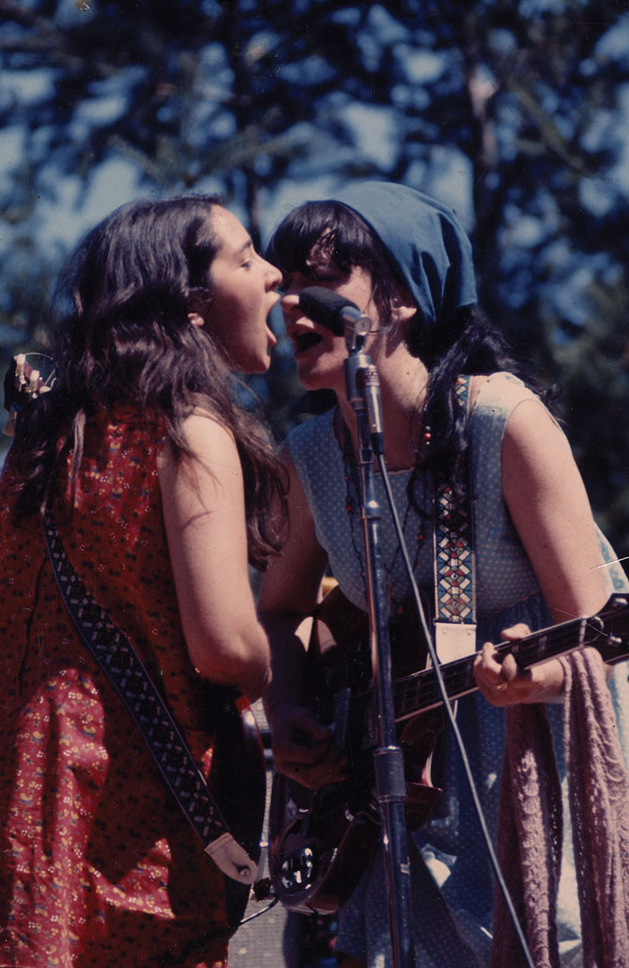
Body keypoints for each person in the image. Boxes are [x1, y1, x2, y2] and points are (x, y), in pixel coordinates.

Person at [258, 181, 629, 967]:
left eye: (322, 280)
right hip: (391, 794)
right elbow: (280, 606)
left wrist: (538, 678)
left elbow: (606, 637)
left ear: (400, 297)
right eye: (285, 284)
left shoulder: (500, 422)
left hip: (528, 772)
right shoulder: (311, 457)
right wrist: (290, 699)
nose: (292, 304)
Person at [0, 194, 285, 968]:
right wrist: (278, 669)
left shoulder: (45, 443)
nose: (275, 276)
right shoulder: (185, 428)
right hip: (135, 809)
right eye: (249, 259)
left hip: (26, 782)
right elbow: (225, 645)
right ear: (192, 306)